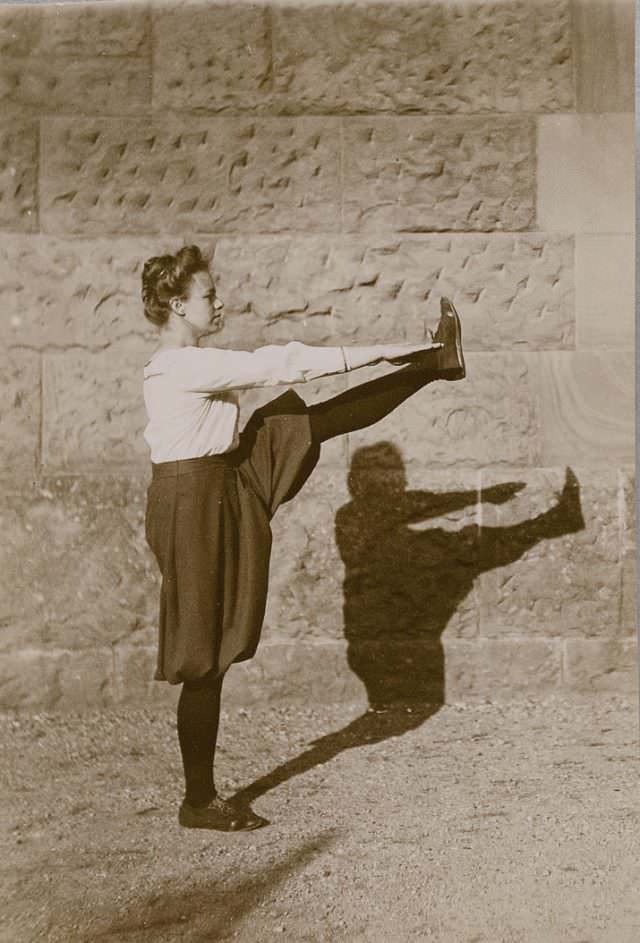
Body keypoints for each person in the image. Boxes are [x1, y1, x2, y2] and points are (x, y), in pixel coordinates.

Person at [141, 244, 466, 831]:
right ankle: (199, 802)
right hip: (194, 502)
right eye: (208, 295)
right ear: (175, 304)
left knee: (309, 422)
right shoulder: (181, 366)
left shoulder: (192, 361)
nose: (219, 302)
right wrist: (392, 346)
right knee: (203, 658)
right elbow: (285, 362)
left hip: (223, 478)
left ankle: (434, 365)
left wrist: (414, 356)